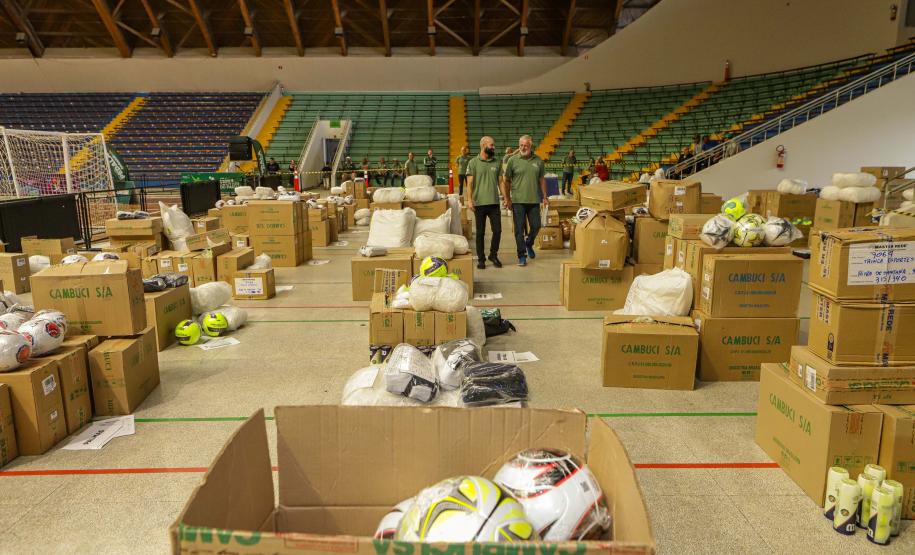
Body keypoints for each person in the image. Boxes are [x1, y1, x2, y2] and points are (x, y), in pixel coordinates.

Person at [504, 135, 548, 267]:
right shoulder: (512, 160)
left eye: (526, 145)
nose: (523, 148)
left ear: (531, 146)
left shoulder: (538, 161)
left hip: (534, 200)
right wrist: (507, 198)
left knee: (536, 226)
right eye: (521, 145)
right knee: (519, 230)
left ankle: (529, 243)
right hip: (517, 201)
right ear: (519, 146)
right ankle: (521, 256)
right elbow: (506, 180)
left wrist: (545, 196)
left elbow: (542, 180)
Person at [465, 136, 503, 270]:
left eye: (493, 145)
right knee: (480, 233)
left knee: (497, 231)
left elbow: (501, 182)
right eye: (492, 145)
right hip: (479, 203)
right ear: (483, 145)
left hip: (494, 203)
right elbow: (469, 184)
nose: (494, 147)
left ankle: (493, 255)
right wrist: (469, 200)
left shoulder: (497, 162)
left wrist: (506, 198)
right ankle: (481, 259)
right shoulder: (473, 163)